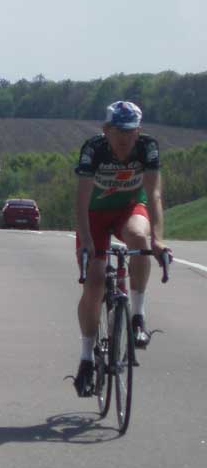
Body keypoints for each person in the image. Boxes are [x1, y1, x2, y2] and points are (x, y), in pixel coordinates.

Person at [73, 100, 169, 397]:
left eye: (131, 131)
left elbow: (153, 194)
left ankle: (138, 316)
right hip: (94, 215)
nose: (126, 138)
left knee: (139, 239)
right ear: (106, 130)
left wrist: (158, 238)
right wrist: (86, 242)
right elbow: (81, 200)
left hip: (129, 208)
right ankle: (87, 359)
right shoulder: (94, 149)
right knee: (95, 282)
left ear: (139, 130)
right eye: (119, 131)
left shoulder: (147, 147)